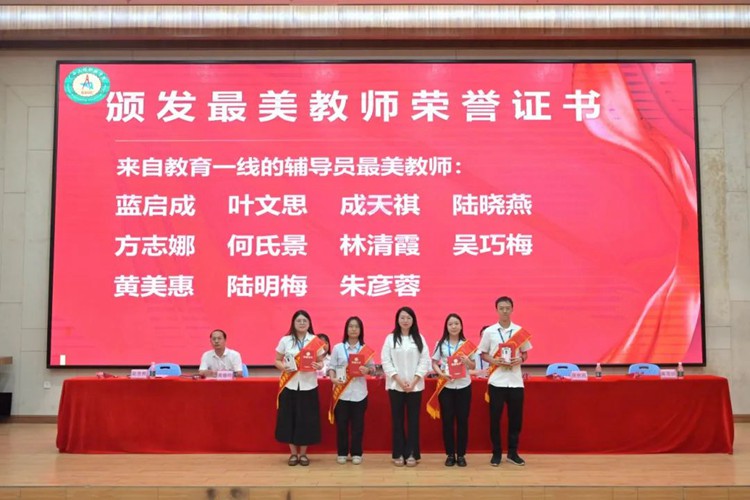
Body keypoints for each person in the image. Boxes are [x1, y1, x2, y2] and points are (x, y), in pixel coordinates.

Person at [479, 296, 532, 467]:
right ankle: (496, 453)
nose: (504, 311)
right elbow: (483, 353)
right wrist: (494, 361)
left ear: (512, 309)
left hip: (515, 381)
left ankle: (512, 453)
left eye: (507, 308)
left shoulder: (519, 331)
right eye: (501, 308)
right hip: (497, 381)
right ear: (496, 310)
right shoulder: (489, 332)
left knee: (516, 419)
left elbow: (525, 353)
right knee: (495, 419)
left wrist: (520, 359)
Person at [274, 310, 327, 466]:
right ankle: (293, 454)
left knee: (306, 420)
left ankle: (303, 454)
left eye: (305, 321)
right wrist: (283, 367)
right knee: (289, 419)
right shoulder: (285, 340)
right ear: (293, 323)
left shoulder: (315, 341)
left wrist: (319, 365)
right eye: (299, 321)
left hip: (308, 386)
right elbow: (277, 360)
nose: (302, 323)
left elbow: (321, 361)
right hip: (289, 385)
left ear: (309, 323)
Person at [380, 306, 431, 467]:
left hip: (415, 387)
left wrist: (414, 381)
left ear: (413, 320)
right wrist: (400, 381)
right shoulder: (390, 339)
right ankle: (398, 453)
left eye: (408, 317)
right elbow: (386, 361)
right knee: (397, 420)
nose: (405, 320)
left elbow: (425, 361)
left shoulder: (419, 338)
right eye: (402, 317)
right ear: (397, 320)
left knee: (413, 421)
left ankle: (412, 453)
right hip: (396, 386)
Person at [327, 316, 376, 465]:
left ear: (361, 330)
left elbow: (373, 369)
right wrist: (333, 378)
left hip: (359, 393)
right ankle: (342, 452)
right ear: (346, 329)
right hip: (341, 392)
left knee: (358, 426)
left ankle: (356, 453)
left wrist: (367, 370)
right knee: (341, 425)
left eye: (356, 326)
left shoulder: (365, 349)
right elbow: (331, 367)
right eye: (350, 326)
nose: (353, 329)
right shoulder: (338, 348)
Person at [430, 313, 476, 467]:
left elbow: (474, 365)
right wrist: (441, 373)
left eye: (456, 323)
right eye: (450, 324)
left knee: (462, 421)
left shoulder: (467, 344)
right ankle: (450, 454)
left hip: (464, 386)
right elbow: (434, 363)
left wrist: (467, 361)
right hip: (446, 387)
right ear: (446, 327)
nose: (453, 326)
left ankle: (461, 455)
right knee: (447, 421)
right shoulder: (440, 343)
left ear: (461, 326)